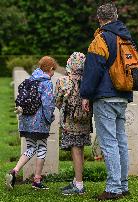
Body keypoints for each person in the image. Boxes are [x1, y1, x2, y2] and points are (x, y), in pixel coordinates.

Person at [80, 2, 133, 201]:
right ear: (116, 16)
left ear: (99, 19)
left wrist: (86, 94)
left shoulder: (100, 39)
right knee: (121, 141)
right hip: (123, 95)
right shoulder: (126, 37)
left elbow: (93, 70)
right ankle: (123, 185)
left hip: (105, 97)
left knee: (109, 142)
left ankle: (113, 188)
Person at [5, 56, 57, 190]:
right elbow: (48, 104)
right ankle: (37, 180)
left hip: (25, 120)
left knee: (31, 148)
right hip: (39, 122)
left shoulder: (30, 79)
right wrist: (49, 118)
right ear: (50, 69)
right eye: (53, 71)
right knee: (42, 148)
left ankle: (14, 171)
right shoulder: (46, 82)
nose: (53, 74)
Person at [54, 52, 92, 195]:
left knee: (75, 150)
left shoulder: (63, 81)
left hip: (70, 122)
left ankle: (79, 186)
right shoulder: (88, 81)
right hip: (85, 120)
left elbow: (57, 102)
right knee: (80, 149)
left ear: (69, 64)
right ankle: (77, 180)